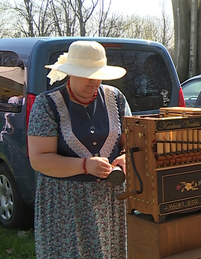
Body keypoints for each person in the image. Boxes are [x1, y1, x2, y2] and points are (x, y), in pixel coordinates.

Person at [27, 40, 132, 258]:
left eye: (98, 74)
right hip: (65, 204)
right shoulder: (46, 104)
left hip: (108, 201)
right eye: (87, 75)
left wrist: (124, 159)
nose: (94, 81)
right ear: (70, 73)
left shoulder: (116, 98)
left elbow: (130, 144)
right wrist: (84, 165)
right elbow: (39, 159)